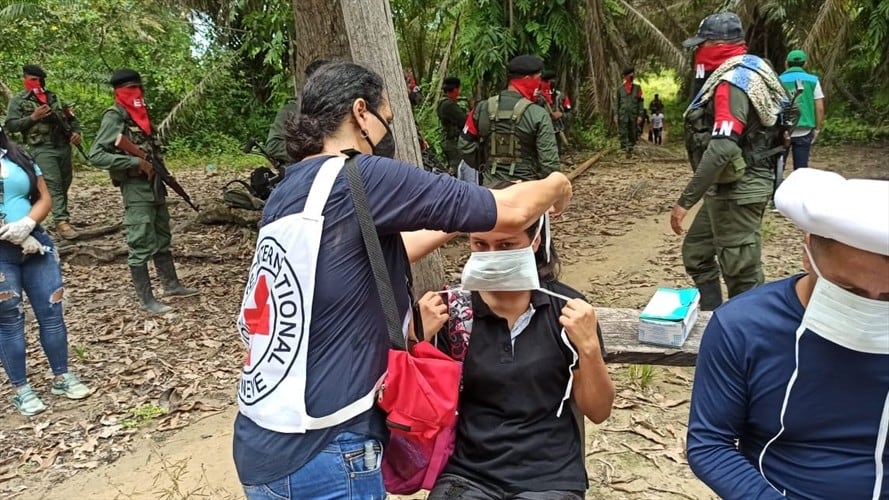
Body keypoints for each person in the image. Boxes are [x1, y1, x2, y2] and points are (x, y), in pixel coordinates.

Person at [233, 61, 573, 500]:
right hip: (328, 448)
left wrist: (455, 220)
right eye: (386, 120)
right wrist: (556, 184)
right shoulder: (360, 175)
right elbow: (512, 212)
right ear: (361, 113)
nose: (386, 132)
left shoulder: (288, 192)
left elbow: (374, 255)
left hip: (261, 446)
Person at [687, 168, 889, 499]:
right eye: (848, 289)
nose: (870, 306)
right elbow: (710, 443)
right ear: (808, 253)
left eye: (888, 297)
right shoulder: (744, 327)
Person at [417, 210, 614, 499]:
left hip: (550, 477)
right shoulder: (453, 311)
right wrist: (417, 341)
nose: (492, 255)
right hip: (468, 473)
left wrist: (589, 348)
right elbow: (422, 408)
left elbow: (598, 411)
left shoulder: (566, 310)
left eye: (507, 245)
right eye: (480, 245)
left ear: (535, 242)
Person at [670, 12, 790, 309]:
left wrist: (685, 201)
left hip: (740, 188)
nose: (698, 52)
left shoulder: (731, 83)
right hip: (727, 185)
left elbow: (722, 148)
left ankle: (746, 336)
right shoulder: (752, 67)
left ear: (717, 44)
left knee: (742, 274)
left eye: (702, 44)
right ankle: (714, 317)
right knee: (697, 253)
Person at [88, 69, 198, 315]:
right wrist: (134, 163)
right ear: (119, 91)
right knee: (140, 238)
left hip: (154, 182)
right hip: (135, 187)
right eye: (130, 89)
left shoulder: (141, 115)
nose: (136, 93)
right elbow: (96, 154)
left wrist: (162, 172)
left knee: (162, 233)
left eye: (138, 87)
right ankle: (146, 299)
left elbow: (151, 150)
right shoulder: (115, 116)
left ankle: (171, 284)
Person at [0, 126, 90, 416]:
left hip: (36, 244)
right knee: (10, 317)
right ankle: (21, 389)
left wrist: (27, 225)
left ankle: (62, 376)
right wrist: (10, 233)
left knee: (51, 311)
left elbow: (44, 197)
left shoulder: (18, 157)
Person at [4, 65, 82, 240]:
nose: (34, 83)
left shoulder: (55, 98)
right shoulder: (18, 101)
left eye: (37, 79)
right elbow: (11, 125)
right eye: (31, 79)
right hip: (41, 148)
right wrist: (33, 117)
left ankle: (52, 214)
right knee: (52, 183)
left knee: (64, 181)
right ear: (25, 79)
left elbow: (72, 119)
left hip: (62, 146)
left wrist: (76, 133)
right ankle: (62, 221)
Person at [459, 55, 560, 186]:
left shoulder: (481, 109)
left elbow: (464, 146)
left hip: (491, 190)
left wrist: (486, 163)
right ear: (527, 80)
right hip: (527, 190)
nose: (540, 84)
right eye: (538, 79)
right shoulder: (538, 114)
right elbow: (550, 165)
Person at [265, 59, 330, 166]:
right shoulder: (291, 110)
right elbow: (273, 145)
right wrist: (308, 151)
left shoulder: (337, 109)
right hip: (302, 171)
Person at [778, 49, 824, 171]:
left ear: (786, 63)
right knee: (801, 169)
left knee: (778, 167)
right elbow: (819, 107)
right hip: (805, 130)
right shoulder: (813, 80)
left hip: (783, 130)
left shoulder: (778, 80)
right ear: (805, 64)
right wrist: (817, 129)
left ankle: (777, 188)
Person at [437, 76, 468, 172]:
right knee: (457, 169)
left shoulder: (443, 102)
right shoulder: (449, 105)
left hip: (449, 142)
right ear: (455, 90)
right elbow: (464, 120)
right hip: (452, 143)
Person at [612, 67, 643, 155]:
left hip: (633, 114)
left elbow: (641, 102)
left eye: (632, 75)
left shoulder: (637, 88)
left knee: (633, 131)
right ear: (625, 77)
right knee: (622, 131)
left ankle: (631, 148)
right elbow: (616, 103)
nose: (631, 76)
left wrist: (640, 115)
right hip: (623, 114)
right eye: (629, 75)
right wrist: (615, 115)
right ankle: (623, 148)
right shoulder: (620, 90)